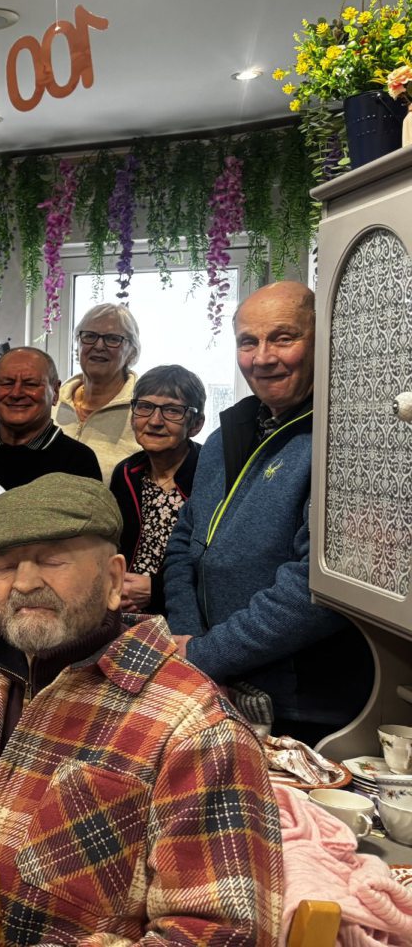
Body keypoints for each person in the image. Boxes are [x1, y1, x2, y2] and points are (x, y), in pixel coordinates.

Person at [0, 473, 283, 947]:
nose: (24, 583)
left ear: (113, 579)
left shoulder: (195, 728)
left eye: (51, 560)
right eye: (4, 565)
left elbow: (220, 936)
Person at [163, 281, 373, 743]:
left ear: (323, 338)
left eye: (283, 337)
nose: (262, 357)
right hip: (210, 681)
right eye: (248, 341)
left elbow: (316, 590)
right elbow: (184, 544)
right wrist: (188, 640)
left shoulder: (346, 439)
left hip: (303, 707)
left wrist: (204, 653)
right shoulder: (224, 436)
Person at [108, 365, 205, 615]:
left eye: (172, 410)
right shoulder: (126, 473)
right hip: (123, 610)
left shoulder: (211, 474)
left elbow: (220, 567)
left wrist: (158, 589)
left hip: (185, 616)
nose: (154, 421)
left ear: (196, 424)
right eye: (144, 407)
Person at [0, 347, 101, 490]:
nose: (16, 393)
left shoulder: (78, 461)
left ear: (55, 392)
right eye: (7, 383)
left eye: (31, 384)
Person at [55, 303, 143, 482]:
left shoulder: (144, 410)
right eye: (89, 336)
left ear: (132, 352)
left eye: (112, 339)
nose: (99, 345)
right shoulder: (51, 403)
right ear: (77, 344)